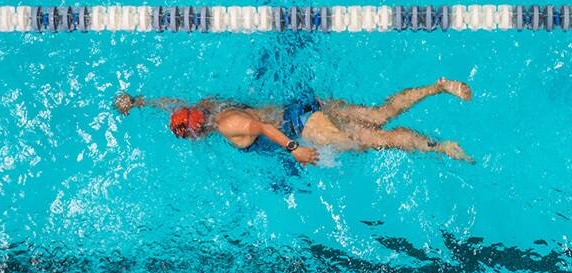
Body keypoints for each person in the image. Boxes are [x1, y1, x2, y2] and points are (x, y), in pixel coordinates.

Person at [114, 78, 473, 165]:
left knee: (376, 139)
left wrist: (295, 149)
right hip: (303, 104)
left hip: (301, 127)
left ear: (197, 131)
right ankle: (437, 87)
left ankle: (441, 147)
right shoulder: (206, 106)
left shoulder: (224, 126)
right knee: (379, 114)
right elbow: (170, 104)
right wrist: (138, 102)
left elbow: (260, 129)